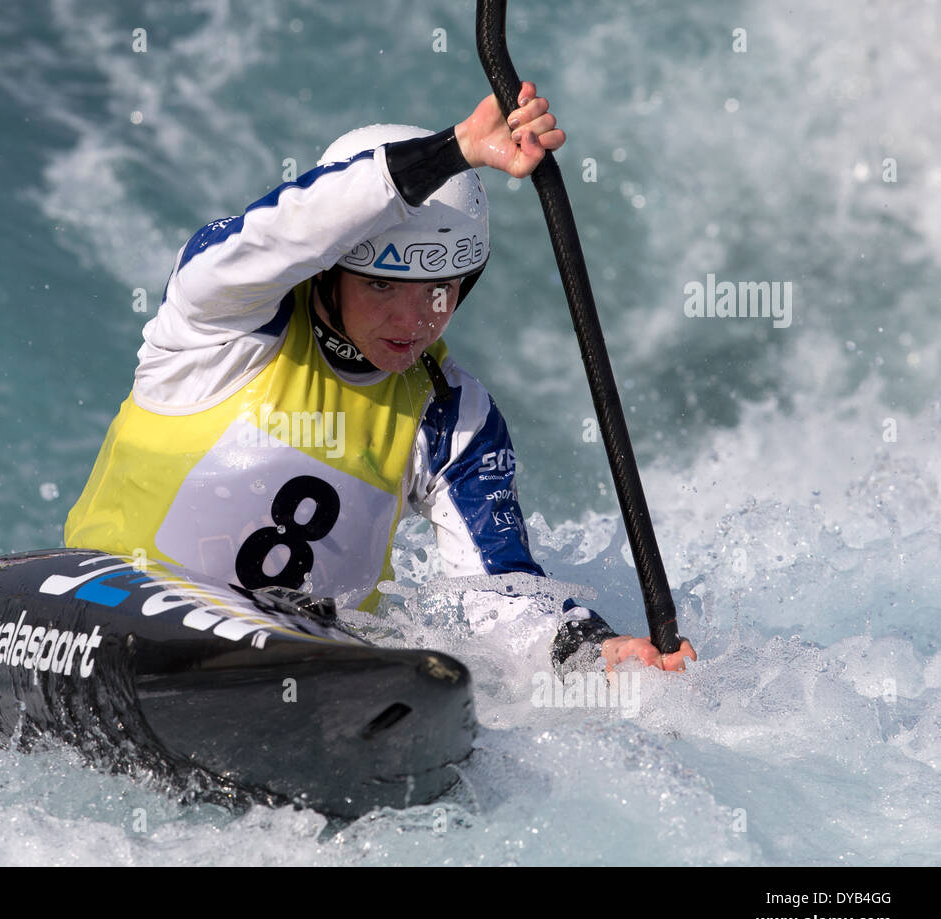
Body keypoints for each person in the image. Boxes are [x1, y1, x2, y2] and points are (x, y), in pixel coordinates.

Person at [65, 84, 696, 673]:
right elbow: (286, 229)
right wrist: (456, 151)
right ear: (330, 268)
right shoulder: (224, 320)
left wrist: (598, 654)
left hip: (291, 674)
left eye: (439, 291)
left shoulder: (452, 416)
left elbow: (498, 596)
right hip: (100, 620)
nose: (414, 319)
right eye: (380, 285)